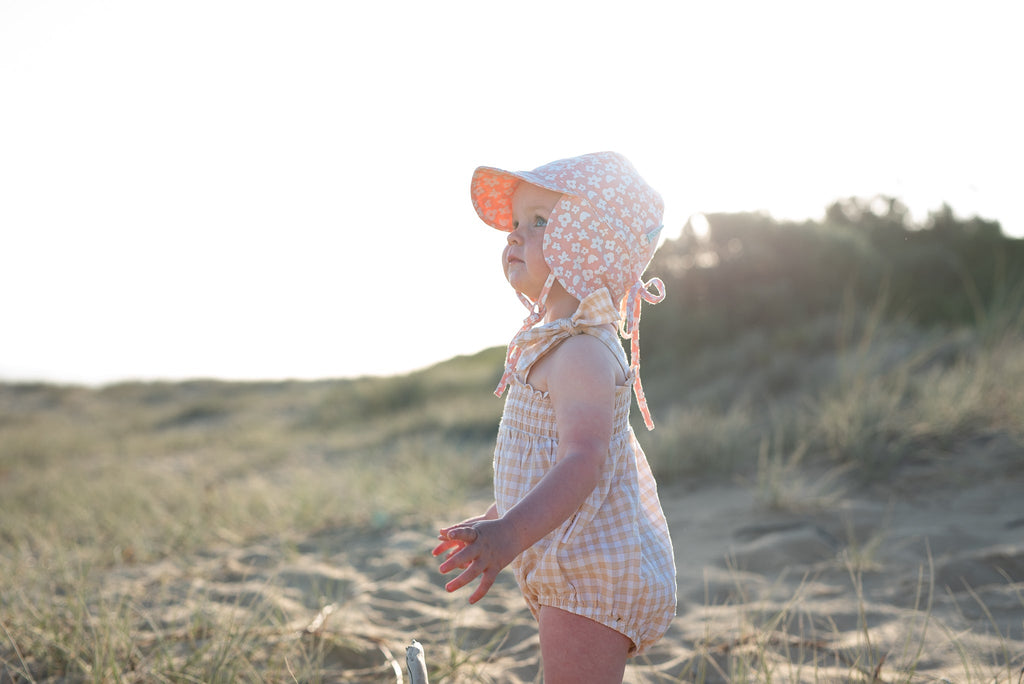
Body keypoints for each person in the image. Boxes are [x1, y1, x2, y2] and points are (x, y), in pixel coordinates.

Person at [433, 152, 676, 683]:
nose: (514, 235)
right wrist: (499, 515)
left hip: (589, 566)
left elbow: (583, 461)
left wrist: (510, 532)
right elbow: (545, 463)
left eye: (539, 222)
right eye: (516, 223)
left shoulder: (582, 351)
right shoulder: (554, 342)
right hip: (564, 553)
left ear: (589, 244)